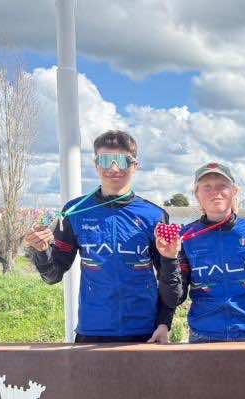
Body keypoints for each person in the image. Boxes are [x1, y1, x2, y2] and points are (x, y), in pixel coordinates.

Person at [23, 130, 173, 344]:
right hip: (92, 330)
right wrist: (41, 251)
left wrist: (164, 322)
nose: (113, 168)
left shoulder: (154, 215)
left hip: (145, 330)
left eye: (121, 160)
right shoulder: (74, 212)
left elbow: (168, 275)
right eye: (105, 160)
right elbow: (53, 275)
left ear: (134, 165)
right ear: (95, 164)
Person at [155, 162, 245, 343]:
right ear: (197, 195)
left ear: (234, 191)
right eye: (206, 187)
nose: (215, 192)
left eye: (222, 185)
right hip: (203, 337)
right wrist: (169, 260)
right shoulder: (185, 237)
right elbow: (175, 297)